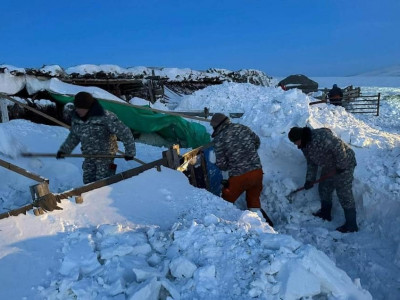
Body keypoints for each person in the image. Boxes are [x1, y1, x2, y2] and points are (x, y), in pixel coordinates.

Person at [288, 126, 358, 233]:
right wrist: (309, 180)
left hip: (345, 163)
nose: (295, 144)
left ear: (301, 137)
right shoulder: (304, 146)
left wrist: (341, 165)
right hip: (329, 165)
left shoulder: (321, 136)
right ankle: (325, 213)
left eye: (295, 141)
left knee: (343, 192)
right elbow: (311, 163)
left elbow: (339, 147)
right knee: (324, 187)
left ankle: (351, 225)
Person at [57, 92, 136, 184]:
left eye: (79, 108)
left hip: (105, 157)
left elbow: (124, 132)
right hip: (89, 157)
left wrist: (130, 152)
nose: (77, 110)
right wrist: (64, 150)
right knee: (87, 183)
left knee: (102, 184)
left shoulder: (106, 117)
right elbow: (74, 136)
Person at [210, 113, 273, 227]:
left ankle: (224, 225)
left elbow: (222, 164)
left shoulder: (219, 139)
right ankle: (259, 226)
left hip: (239, 176)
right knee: (253, 199)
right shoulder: (243, 127)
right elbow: (257, 142)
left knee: (225, 202)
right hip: (257, 172)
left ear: (216, 126)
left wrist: (228, 164)